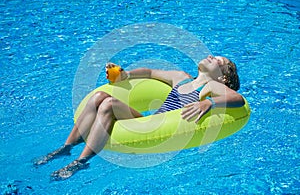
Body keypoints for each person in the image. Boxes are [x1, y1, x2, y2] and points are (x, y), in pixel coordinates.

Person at [34, 55, 245, 180]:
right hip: (149, 121)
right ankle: (66, 147)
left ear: (223, 76)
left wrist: (210, 102)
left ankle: (80, 162)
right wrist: (125, 76)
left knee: (108, 104)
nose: (211, 57)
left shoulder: (211, 86)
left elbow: (238, 99)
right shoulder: (181, 77)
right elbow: (151, 73)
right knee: (99, 96)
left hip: (159, 129)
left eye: (218, 60)